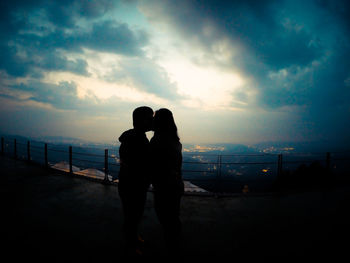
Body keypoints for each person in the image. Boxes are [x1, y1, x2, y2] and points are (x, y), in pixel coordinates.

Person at [118, 106, 154, 256]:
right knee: (132, 215)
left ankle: (133, 238)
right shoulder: (137, 139)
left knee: (132, 215)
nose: (152, 120)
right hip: (134, 185)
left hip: (129, 184)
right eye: (150, 117)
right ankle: (131, 246)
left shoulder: (133, 137)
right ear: (142, 120)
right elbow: (138, 165)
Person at [150, 108, 184, 255]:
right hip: (176, 184)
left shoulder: (157, 140)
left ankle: (171, 249)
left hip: (163, 186)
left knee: (165, 217)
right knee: (173, 217)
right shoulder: (175, 140)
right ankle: (174, 247)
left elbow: (154, 165)